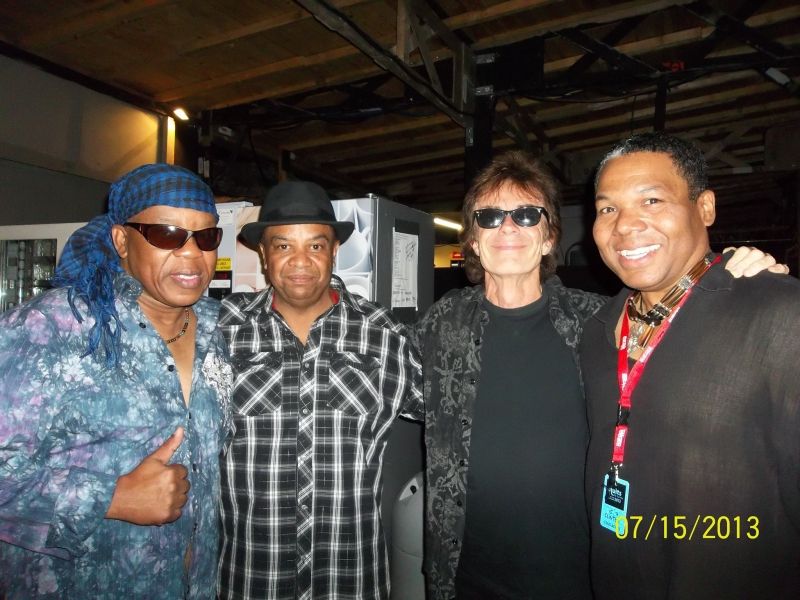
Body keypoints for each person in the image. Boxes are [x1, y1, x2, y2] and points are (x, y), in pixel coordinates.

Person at [411, 150, 786, 600]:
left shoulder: (598, 322)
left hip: (581, 573)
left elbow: (678, 303)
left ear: (549, 238)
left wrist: (740, 270)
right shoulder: (440, 324)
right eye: (489, 217)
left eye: (527, 215)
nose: (508, 227)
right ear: (473, 240)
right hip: (463, 573)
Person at [0, 164, 232, 599]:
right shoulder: (53, 327)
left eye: (206, 237)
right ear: (122, 240)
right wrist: (111, 499)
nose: (191, 253)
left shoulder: (221, 328)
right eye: (166, 234)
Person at [584, 132, 800, 599]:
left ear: (704, 208)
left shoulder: (779, 316)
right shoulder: (596, 331)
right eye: (608, 208)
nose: (625, 225)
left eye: (652, 200)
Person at [216, 181, 423, 600]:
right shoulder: (223, 331)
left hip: (350, 579)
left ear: (335, 251)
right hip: (250, 578)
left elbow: (453, 416)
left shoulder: (382, 334)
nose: (300, 261)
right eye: (283, 246)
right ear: (263, 254)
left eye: (315, 245)